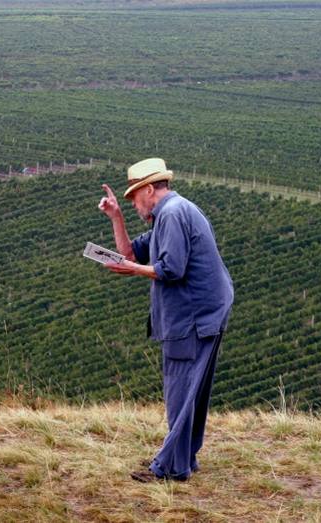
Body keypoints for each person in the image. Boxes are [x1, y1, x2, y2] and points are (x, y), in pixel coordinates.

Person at [98, 158, 233, 482]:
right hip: (206, 311)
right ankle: (183, 457)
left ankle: (169, 468)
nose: (132, 205)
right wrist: (115, 217)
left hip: (193, 316)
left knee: (181, 389)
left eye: (132, 198)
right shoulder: (169, 215)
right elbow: (131, 254)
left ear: (148, 189)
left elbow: (171, 269)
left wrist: (132, 271)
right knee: (191, 389)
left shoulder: (172, 215)